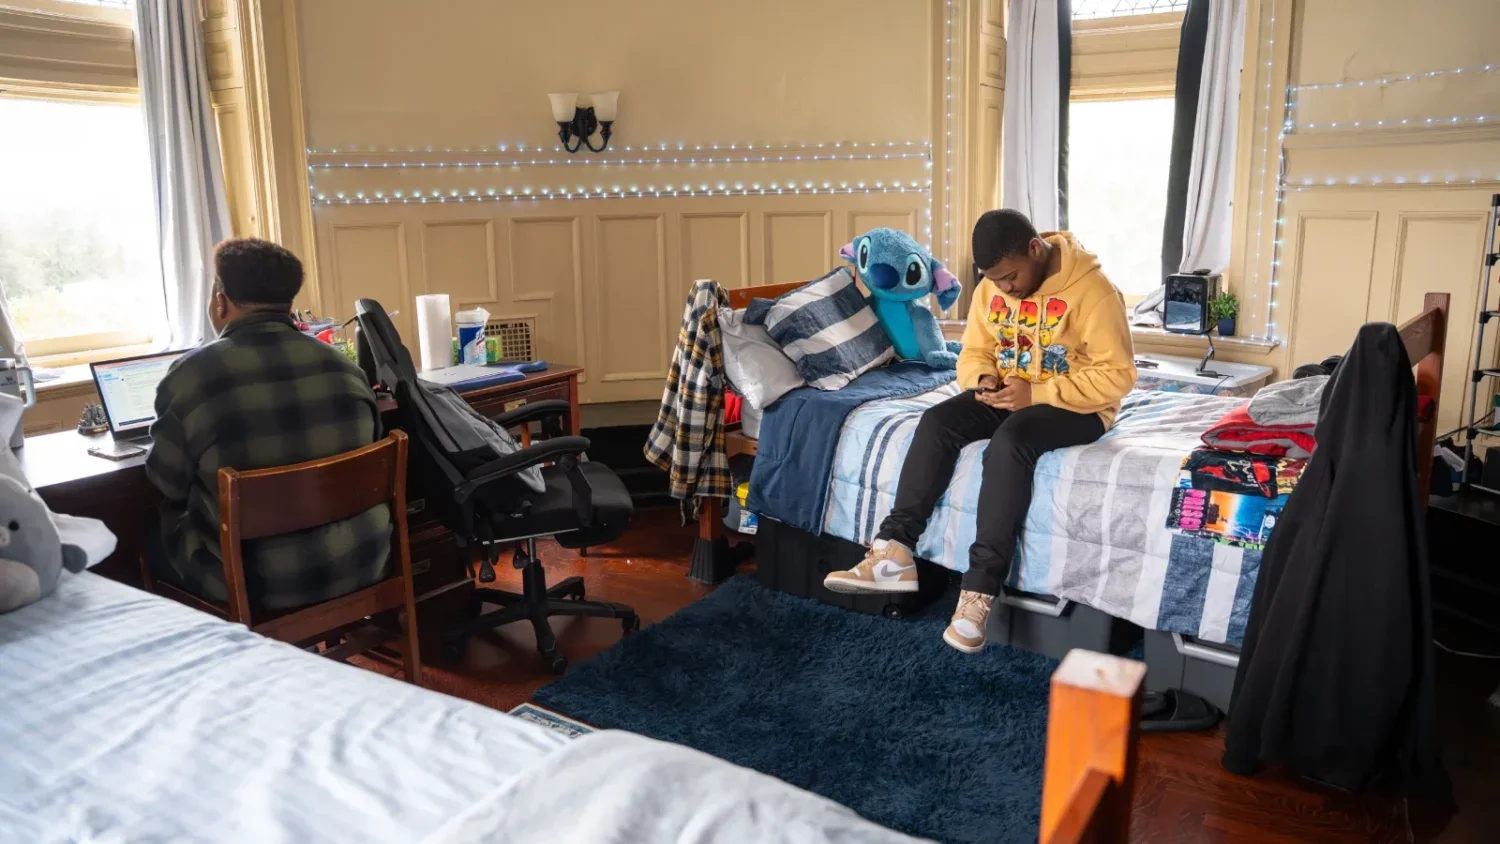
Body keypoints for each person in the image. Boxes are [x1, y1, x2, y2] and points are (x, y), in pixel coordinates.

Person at [824, 210, 1136, 653]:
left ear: (1034, 249)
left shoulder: (1095, 291)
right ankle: (894, 550)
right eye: (995, 280)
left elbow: (1118, 377)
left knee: (1010, 444)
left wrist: (1039, 393)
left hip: (1077, 405)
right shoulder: (992, 287)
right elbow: (973, 351)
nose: (1004, 288)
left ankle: (977, 595)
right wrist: (983, 378)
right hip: (1012, 391)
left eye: (1009, 277)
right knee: (935, 421)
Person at [145, 238, 391, 613]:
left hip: (255, 586)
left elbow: (167, 482)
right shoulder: (346, 369)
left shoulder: (191, 377)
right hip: (361, 562)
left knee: (143, 536)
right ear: (288, 301)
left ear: (220, 300)